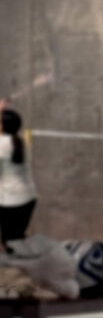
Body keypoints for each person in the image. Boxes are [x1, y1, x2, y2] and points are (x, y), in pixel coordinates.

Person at [0, 101, 37, 250]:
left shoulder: (2, 144)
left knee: (10, 242)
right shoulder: (19, 141)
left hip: (10, 202)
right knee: (16, 238)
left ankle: (14, 268)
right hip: (28, 198)